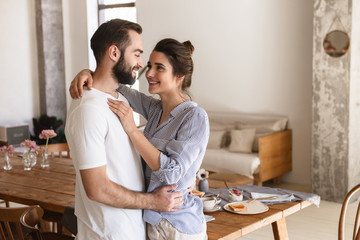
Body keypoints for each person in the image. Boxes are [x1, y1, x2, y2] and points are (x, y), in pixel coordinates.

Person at [70, 38, 209, 239]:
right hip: (151, 222)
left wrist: (132, 130)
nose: (149, 74)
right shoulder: (154, 109)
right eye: (150, 66)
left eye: (159, 68)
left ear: (179, 75)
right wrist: (88, 73)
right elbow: (114, 85)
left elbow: (172, 173)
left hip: (178, 226)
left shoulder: (195, 117)